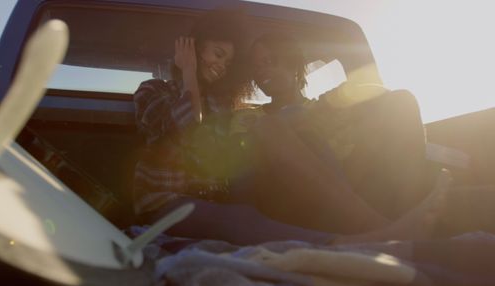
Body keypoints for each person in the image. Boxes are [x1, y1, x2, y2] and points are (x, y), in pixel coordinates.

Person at [132, 10, 451, 246]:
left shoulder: (221, 106)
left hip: (219, 193)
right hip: (168, 199)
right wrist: (188, 71)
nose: (221, 65)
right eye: (216, 53)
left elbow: (216, 161)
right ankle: (372, 236)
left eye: (228, 61)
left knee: (397, 102)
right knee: (258, 167)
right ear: (192, 47)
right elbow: (189, 125)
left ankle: (391, 223)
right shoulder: (153, 91)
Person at [229, 32, 439, 234]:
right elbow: (241, 166)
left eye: (269, 61)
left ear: (292, 63)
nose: (261, 71)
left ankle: (409, 213)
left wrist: (342, 100)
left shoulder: (325, 107)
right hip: (288, 200)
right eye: (256, 66)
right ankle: (381, 227)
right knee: (295, 134)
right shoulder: (248, 117)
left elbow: (377, 92)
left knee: (402, 100)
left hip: (349, 186)